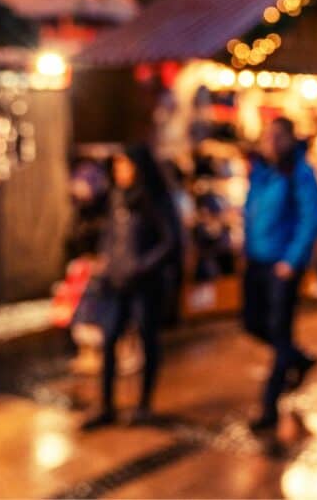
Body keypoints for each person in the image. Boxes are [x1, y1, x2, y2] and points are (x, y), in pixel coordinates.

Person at [83, 145, 181, 429]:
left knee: (148, 341)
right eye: (117, 166)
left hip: (144, 285)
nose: (120, 172)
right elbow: (110, 234)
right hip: (116, 282)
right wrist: (104, 260)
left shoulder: (154, 201)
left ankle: (144, 405)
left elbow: (169, 242)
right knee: (109, 338)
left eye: (126, 166)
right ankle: (106, 404)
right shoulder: (117, 198)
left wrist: (142, 266)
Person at [242, 117, 317, 433]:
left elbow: (313, 218)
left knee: (279, 332)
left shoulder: (300, 173)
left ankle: (269, 406)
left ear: (291, 138)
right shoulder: (263, 171)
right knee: (252, 323)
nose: (272, 143)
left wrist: (292, 259)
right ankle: (297, 358)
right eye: (268, 136)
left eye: (278, 137)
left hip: (282, 265)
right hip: (257, 261)